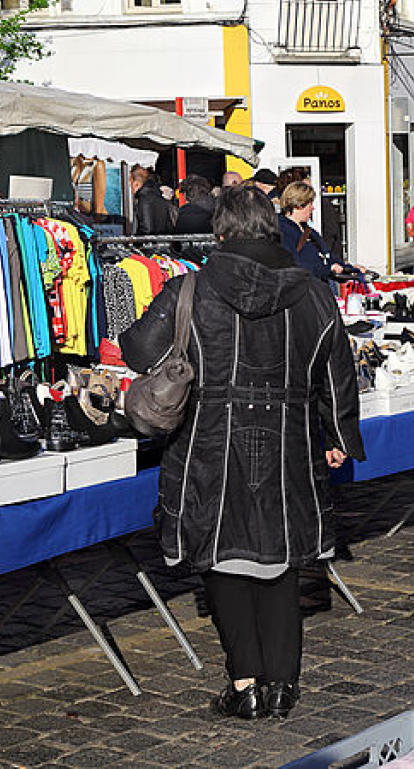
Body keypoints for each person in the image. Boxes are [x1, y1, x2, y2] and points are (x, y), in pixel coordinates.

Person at [119, 185, 363, 721]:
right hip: (289, 442)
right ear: (272, 229)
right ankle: (281, 687)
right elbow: (337, 373)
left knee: (223, 560)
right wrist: (341, 438)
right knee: (279, 560)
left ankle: (246, 684)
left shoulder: (192, 289)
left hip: (209, 443)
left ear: (221, 233)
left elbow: (136, 350)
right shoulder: (314, 294)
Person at [278, 181, 356, 283]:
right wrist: (328, 269)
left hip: (318, 288)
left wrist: (351, 269)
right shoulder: (282, 231)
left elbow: (328, 256)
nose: (312, 208)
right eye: (310, 203)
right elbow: (293, 266)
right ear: (299, 204)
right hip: (300, 292)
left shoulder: (309, 232)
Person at [132, 166, 173, 236]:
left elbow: (147, 229)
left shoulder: (144, 198)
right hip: (163, 242)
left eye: (130, 183)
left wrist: (136, 242)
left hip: (150, 244)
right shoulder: (159, 197)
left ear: (136, 184)